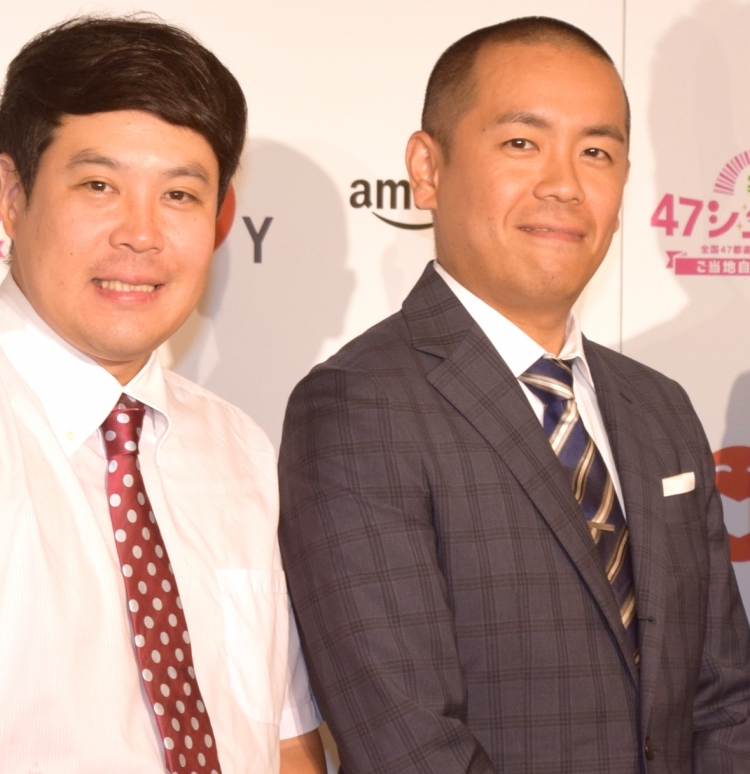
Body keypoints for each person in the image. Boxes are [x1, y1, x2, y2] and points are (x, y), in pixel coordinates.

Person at [0, 16, 324, 774]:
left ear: (219, 219)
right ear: (13, 195)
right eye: (99, 186)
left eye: (179, 194)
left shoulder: (237, 445)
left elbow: (286, 742)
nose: (140, 234)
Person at [278, 16, 750, 774]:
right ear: (427, 169)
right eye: (523, 143)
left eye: (596, 152)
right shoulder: (358, 407)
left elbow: (725, 700)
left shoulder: (659, 407)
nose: (564, 183)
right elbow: (411, 744)